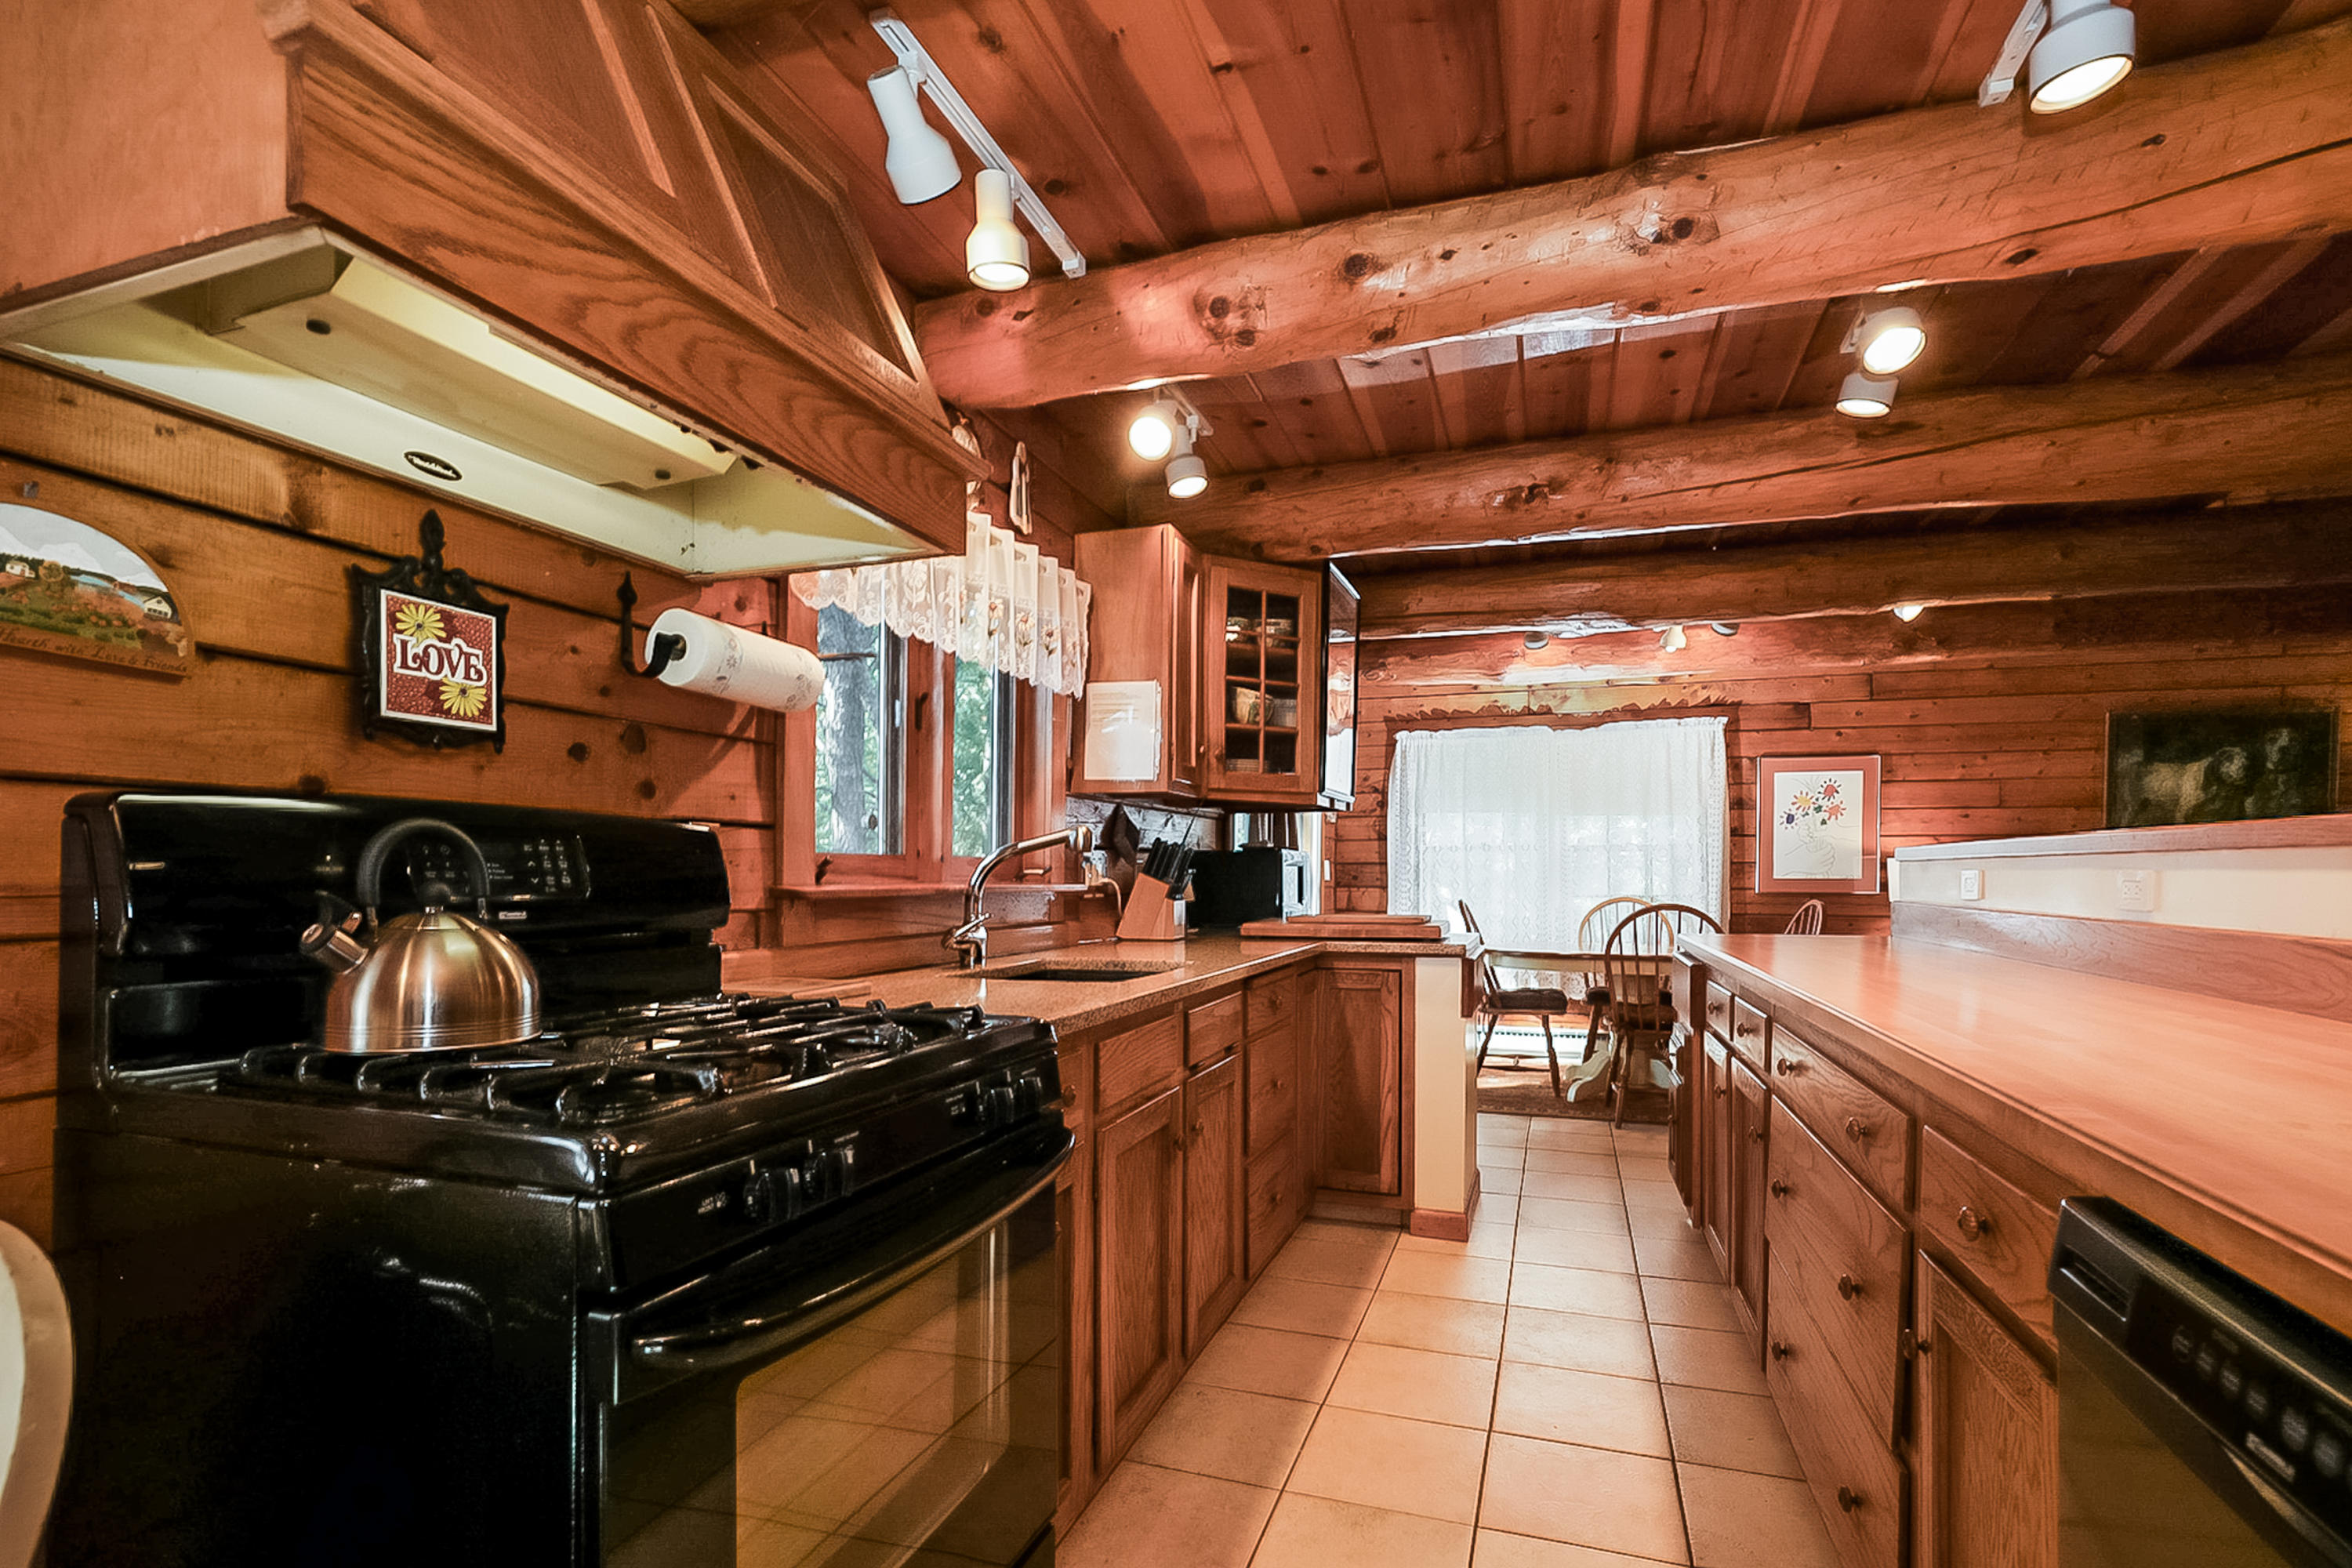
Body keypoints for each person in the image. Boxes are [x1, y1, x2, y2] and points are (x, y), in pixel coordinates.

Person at [2245, 727, 2312, 819]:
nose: (2284, 745)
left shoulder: (2306, 786)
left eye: (2293, 741)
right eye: (2273, 740)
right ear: (2262, 747)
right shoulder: (2254, 785)